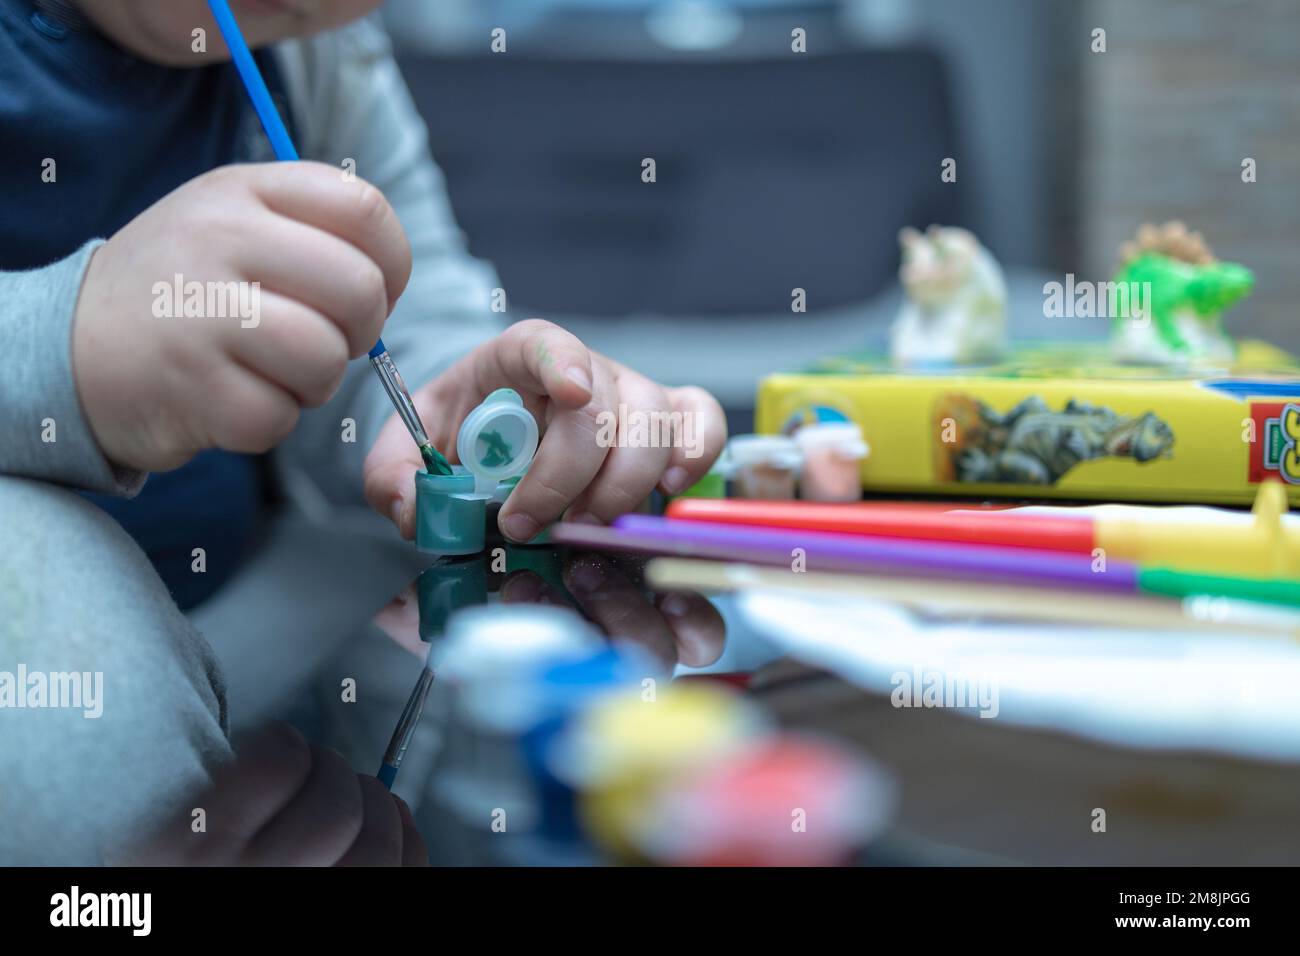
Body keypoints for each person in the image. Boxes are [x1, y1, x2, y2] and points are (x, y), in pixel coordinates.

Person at [0, 0, 725, 864]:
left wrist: (485, 416)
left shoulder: (315, 51)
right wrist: (61, 344)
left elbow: (401, 334)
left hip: (248, 623)